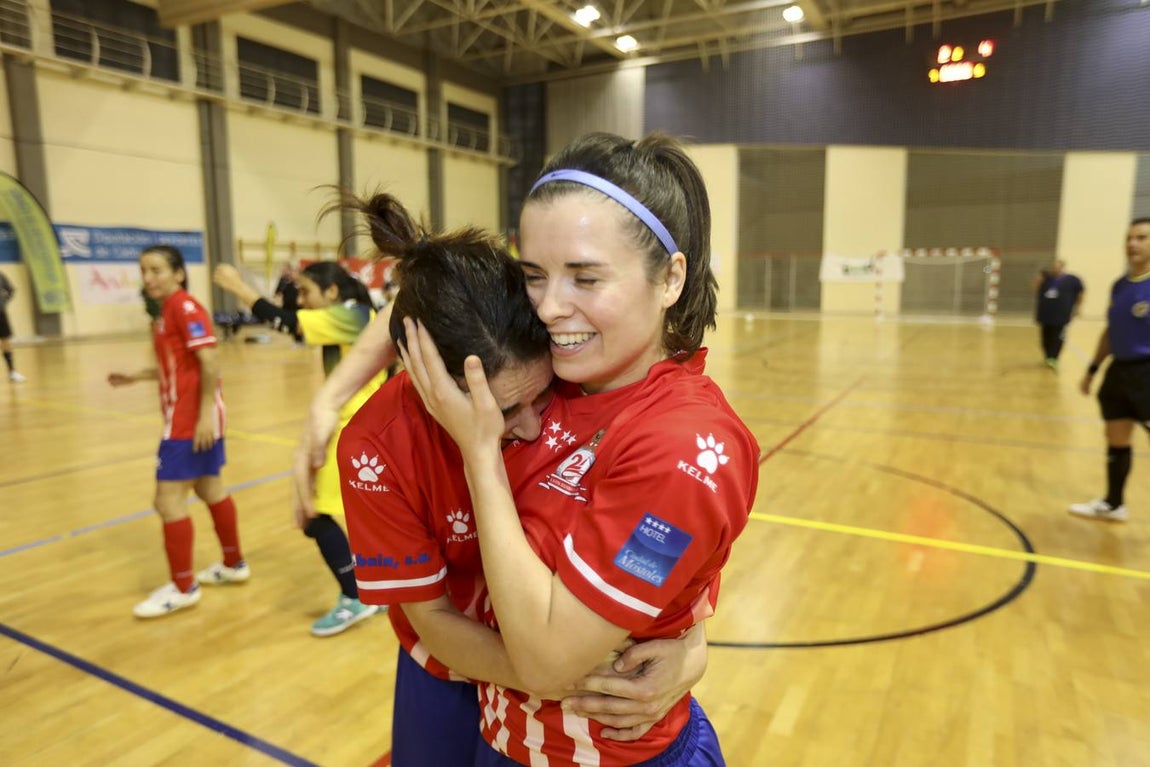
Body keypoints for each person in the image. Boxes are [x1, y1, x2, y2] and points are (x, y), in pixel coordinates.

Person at [400, 131, 760, 766]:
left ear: (670, 277)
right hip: (499, 741)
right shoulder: (546, 381)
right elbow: (430, 301)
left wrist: (480, 455)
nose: (549, 307)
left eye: (586, 277)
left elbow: (545, 663)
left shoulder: (686, 446)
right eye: (534, 276)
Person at [331, 191, 710, 765]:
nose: (533, 427)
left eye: (541, 395)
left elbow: (669, 533)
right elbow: (432, 619)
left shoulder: (577, 373)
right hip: (455, 665)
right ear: (427, 379)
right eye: (505, 413)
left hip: (566, 671)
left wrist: (691, 647)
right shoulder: (376, 448)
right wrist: (558, 673)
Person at [213, 259, 386, 636]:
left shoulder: (351, 316)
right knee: (366, 517)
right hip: (365, 430)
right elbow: (293, 323)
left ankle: (355, 596)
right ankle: (383, 586)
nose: (303, 301)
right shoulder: (358, 314)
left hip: (350, 431)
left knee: (313, 515)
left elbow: (286, 322)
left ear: (332, 292)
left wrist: (237, 287)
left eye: (307, 292)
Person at [108, 245, 248, 618]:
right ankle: (234, 564)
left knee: (167, 501)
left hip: (189, 420)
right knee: (209, 488)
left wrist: (203, 414)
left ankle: (183, 586)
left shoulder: (184, 307)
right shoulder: (166, 312)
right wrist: (135, 377)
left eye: (156, 270)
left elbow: (210, 358)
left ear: (178, 274)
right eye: (144, 270)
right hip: (190, 415)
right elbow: (180, 365)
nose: (148, 277)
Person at [1070, 217, 1150, 522]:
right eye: (1129, 238)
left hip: (1147, 372)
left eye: (1142, 237)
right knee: (1116, 437)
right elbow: (1111, 331)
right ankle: (1114, 504)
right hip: (1120, 372)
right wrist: (1093, 369)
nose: (1132, 244)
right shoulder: (1120, 285)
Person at [1032, 258, 1084, 369]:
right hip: (1045, 315)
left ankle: (1053, 358)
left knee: (1057, 337)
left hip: (1061, 315)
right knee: (1045, 338)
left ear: (1062, 267)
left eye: (1057, 266)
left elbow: (1081, 292)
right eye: (1053, 266)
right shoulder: (1046, 279)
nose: (1055, 268)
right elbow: (1035, 290)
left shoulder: (1072, 280)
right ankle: (1048, 357)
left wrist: (1078, 307)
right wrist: (1037, 281)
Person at [0, 269, 25, 382]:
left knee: (5, 341)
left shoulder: (0, 275)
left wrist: (3, 301)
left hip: (0, 313)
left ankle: (12, 372)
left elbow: (11, 289)